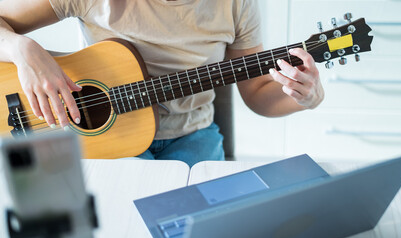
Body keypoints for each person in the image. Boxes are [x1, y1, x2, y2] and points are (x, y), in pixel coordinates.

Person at [0, 0, 324, 166]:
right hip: (106, 137)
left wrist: (304, 97)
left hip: (192, 135)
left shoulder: (236, 4)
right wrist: (22, 48)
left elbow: (256, 94)